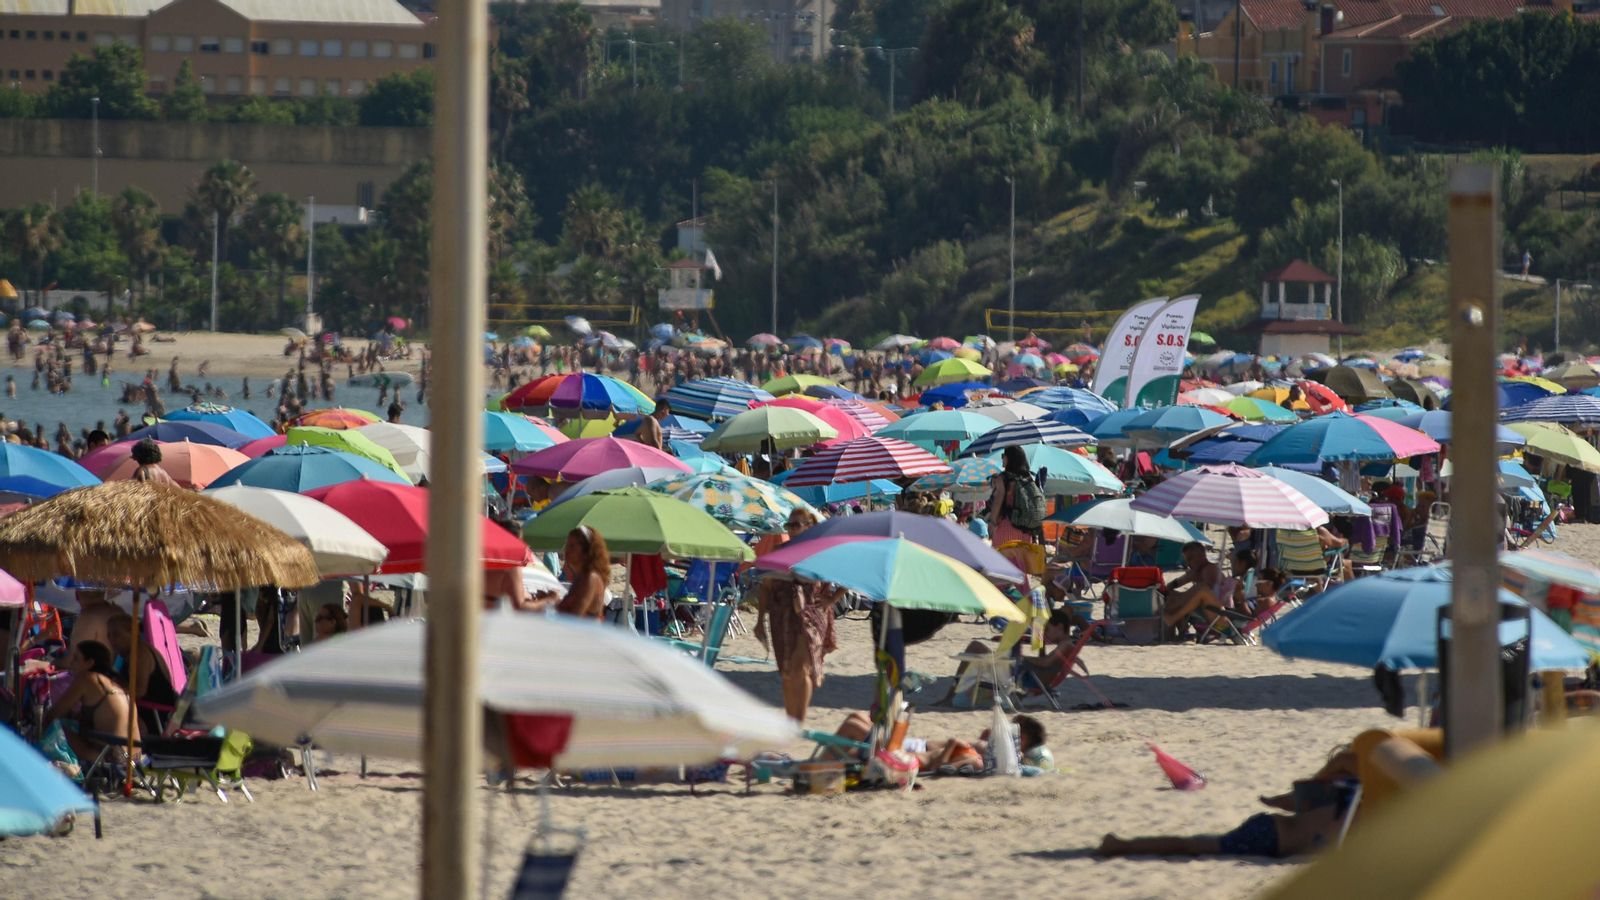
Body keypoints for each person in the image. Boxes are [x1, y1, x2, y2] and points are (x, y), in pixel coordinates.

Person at [755, 508, 842, 722]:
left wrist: (833, 599)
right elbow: (766, 587)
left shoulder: (819, 552)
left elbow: (849, 574)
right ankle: (790, 721)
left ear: (810, 527)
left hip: (811, 615)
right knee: (787, 671)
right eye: (789, 525)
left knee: (800, 668)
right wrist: (759, 621)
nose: (791, 529)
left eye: (796, 525)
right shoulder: (779, 550)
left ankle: (799, 723)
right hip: (781, 615)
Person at [43, 640, 139, 766]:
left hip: (111, 758)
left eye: (76, 659)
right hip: (134, 761)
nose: (71, 663)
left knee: (51, 725)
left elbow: (52, 715)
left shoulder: (87, 678)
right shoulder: (118, 685)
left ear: (90, 663)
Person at [541, 525, 610, 620]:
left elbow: (574, 617)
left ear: (586, 551)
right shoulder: (581, 577)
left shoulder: (590, 577)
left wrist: (549, 602)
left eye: (572, 546)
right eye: (567, 546)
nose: (567, 550)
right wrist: (549, 600)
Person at [988, 444, 1042, 552]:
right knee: (1020, 560)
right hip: (1025, 529)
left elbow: (998, 501)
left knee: (1002, 559)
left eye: (1003, 456)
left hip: (1006, 525)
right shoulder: (1029, 478)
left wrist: (992, 522)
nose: (1002, 458)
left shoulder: (1003, 478)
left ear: (1010, 458)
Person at [1162, 541, 1222, 636]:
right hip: (1205, 607)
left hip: (1216, 611)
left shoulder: (1209, 569)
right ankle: (1181, 631)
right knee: (1173, 595)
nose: (1188, 563)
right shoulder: (1197, 571)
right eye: (1186, 560)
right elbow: (1174, 584)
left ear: (1201, 556)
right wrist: (1174, 585)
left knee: (1198, 589)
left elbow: (1208, 593)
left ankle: (1174, 624)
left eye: (1190, 559)